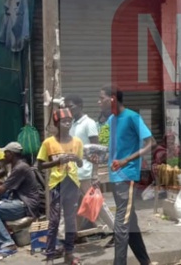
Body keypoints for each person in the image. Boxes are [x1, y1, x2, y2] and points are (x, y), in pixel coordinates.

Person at [105, 88, 154, 265]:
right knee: (130, 222)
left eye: (101, 98)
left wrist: (127, 159)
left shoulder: (133, 117)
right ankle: (145, 261)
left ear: (112, 99)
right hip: (114, 176)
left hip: (127, 176)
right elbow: (105, 146)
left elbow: (150, 143)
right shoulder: (110, 120)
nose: (98, 102)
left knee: (121, 225)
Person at [37, 108, 84, 265]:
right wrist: (57, 161)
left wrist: (76, 159)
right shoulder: (48, 143)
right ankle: (50, 255)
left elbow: (81, 162)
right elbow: (40, 166)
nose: (67, 124)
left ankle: (69, 253)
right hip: (56, 184)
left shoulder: (77, 142)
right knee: (55, 220)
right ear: (57, 123)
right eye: (64, 121)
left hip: (72, 182)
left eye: (69, 121)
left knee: (70, 220)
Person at [65, 94, 100, 230]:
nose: (68, 109)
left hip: (86, 172)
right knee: (77, 205)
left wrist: (95, 173)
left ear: (79, 106)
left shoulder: (89, 123)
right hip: (74, 172)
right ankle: (75, 233)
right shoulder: (72, 124)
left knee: (95, 203)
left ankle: (115, 231)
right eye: (66, 107)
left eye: (71, 106)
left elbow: (96, 150)